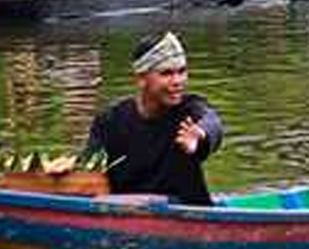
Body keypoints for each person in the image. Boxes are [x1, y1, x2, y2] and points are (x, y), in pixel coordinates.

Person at [86, 32, 224, 205]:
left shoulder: (189, 110)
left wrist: (199, 135)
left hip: (188, 212)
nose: (178, 81)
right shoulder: (109, 120)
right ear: (141, 79)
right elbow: (88, 170)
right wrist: (62, 174)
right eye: (167, 73)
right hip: (121, 214)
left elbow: (213, 123)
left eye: (182, 72)